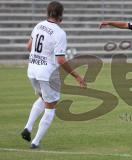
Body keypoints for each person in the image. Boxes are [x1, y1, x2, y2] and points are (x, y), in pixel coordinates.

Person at [21, 1, 86, 149]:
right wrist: (77, 76)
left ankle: (28, 127)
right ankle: (35, 142)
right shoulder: (59, 32)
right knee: (51, 107)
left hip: (32, 70)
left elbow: (29, 46)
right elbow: (61, 59)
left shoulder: (38, 25)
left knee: (43, 97)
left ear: (47, 12)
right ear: (61, 15)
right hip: (47, 73)